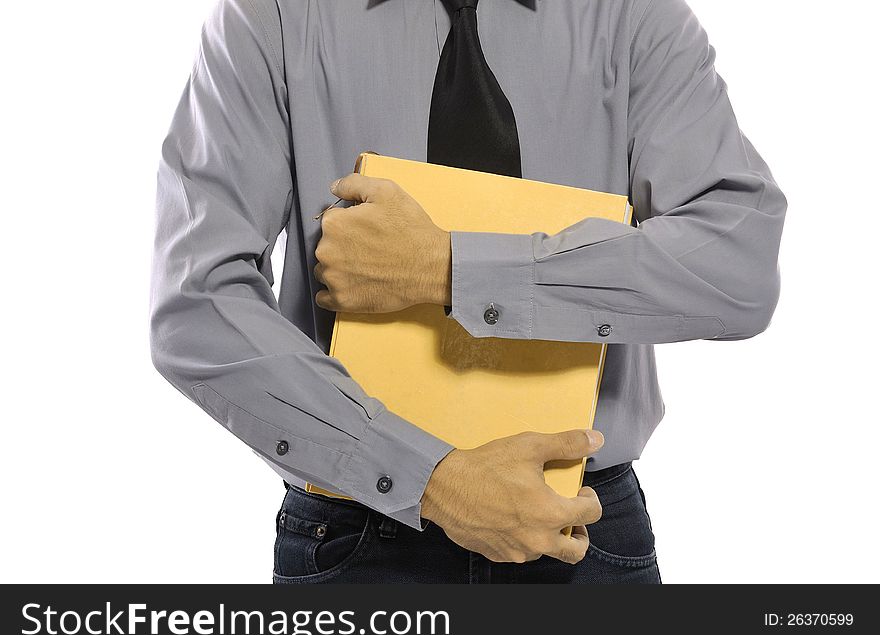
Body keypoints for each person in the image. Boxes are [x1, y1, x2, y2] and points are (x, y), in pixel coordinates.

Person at [151, 0, 785, 584]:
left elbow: (739, 265)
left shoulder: (630, 14)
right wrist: (430, 479)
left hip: (581, 525)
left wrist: (447, 269)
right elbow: (196, 303)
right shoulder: (274, 16)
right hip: (356, 530)